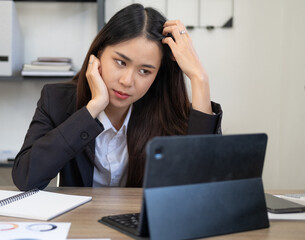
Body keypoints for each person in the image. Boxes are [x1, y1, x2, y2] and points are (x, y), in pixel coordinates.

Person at [12, 3, 222, 191]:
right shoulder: (56, 100)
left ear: (157, 75)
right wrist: (92, 108)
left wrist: (199, 78)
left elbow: (203, 183)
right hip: (81, 226)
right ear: (98, 53)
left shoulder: (166, 111)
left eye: (145, 71)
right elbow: (25, 178)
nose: (127, 81)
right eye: (120, 62)